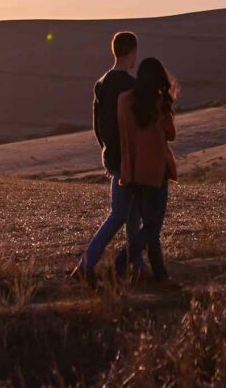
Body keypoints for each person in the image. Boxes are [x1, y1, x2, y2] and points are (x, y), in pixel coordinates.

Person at [71, 31, 143, 286]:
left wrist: (106, 151)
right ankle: (85, 265)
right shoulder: (131, 86)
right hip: (128, 159)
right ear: (132, 52)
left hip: (112, 157)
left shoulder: (101, 83)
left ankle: (138, 269)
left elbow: (97, 125)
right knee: (121, 214)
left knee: (133, 214)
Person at [116, 57, 178, 283]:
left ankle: (160, 274)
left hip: (135, 173)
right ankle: (121, 261)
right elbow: (171, 134)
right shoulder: (160, 103)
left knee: (151, 227)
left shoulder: (124, 101)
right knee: (153, 226)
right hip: (157, 172)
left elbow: (125, 138)